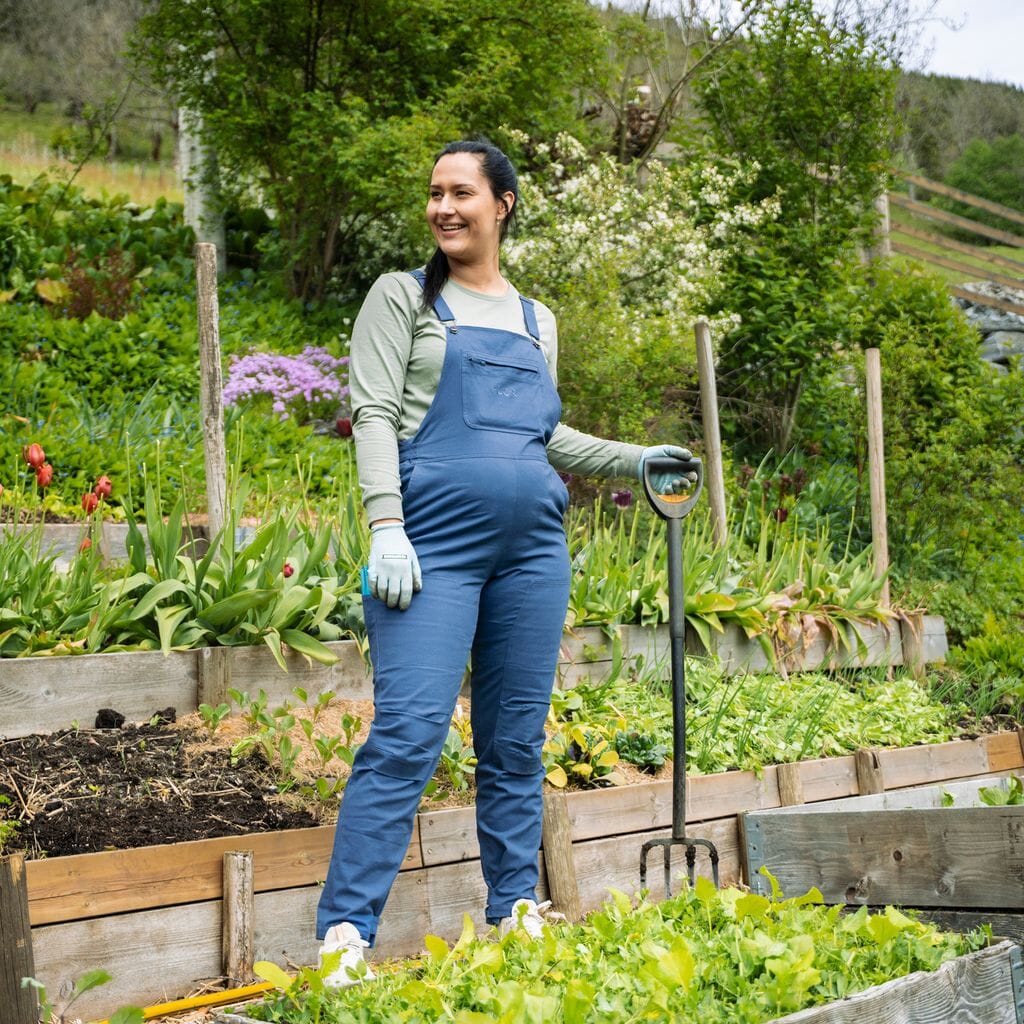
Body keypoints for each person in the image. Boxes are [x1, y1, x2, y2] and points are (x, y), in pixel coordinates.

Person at [316, 137, 695, 987]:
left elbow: (541, 435)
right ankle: (345, 934)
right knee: (409, 734)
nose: (442, 207)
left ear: (503, 204)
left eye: (461, 192)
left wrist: (636, 458)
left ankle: (515, 909)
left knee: (516, 740)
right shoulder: (402, 297)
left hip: (532, 555)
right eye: (434, 192)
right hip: (431, 547)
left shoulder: (535, 319)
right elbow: (373, 413)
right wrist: (386, 525)